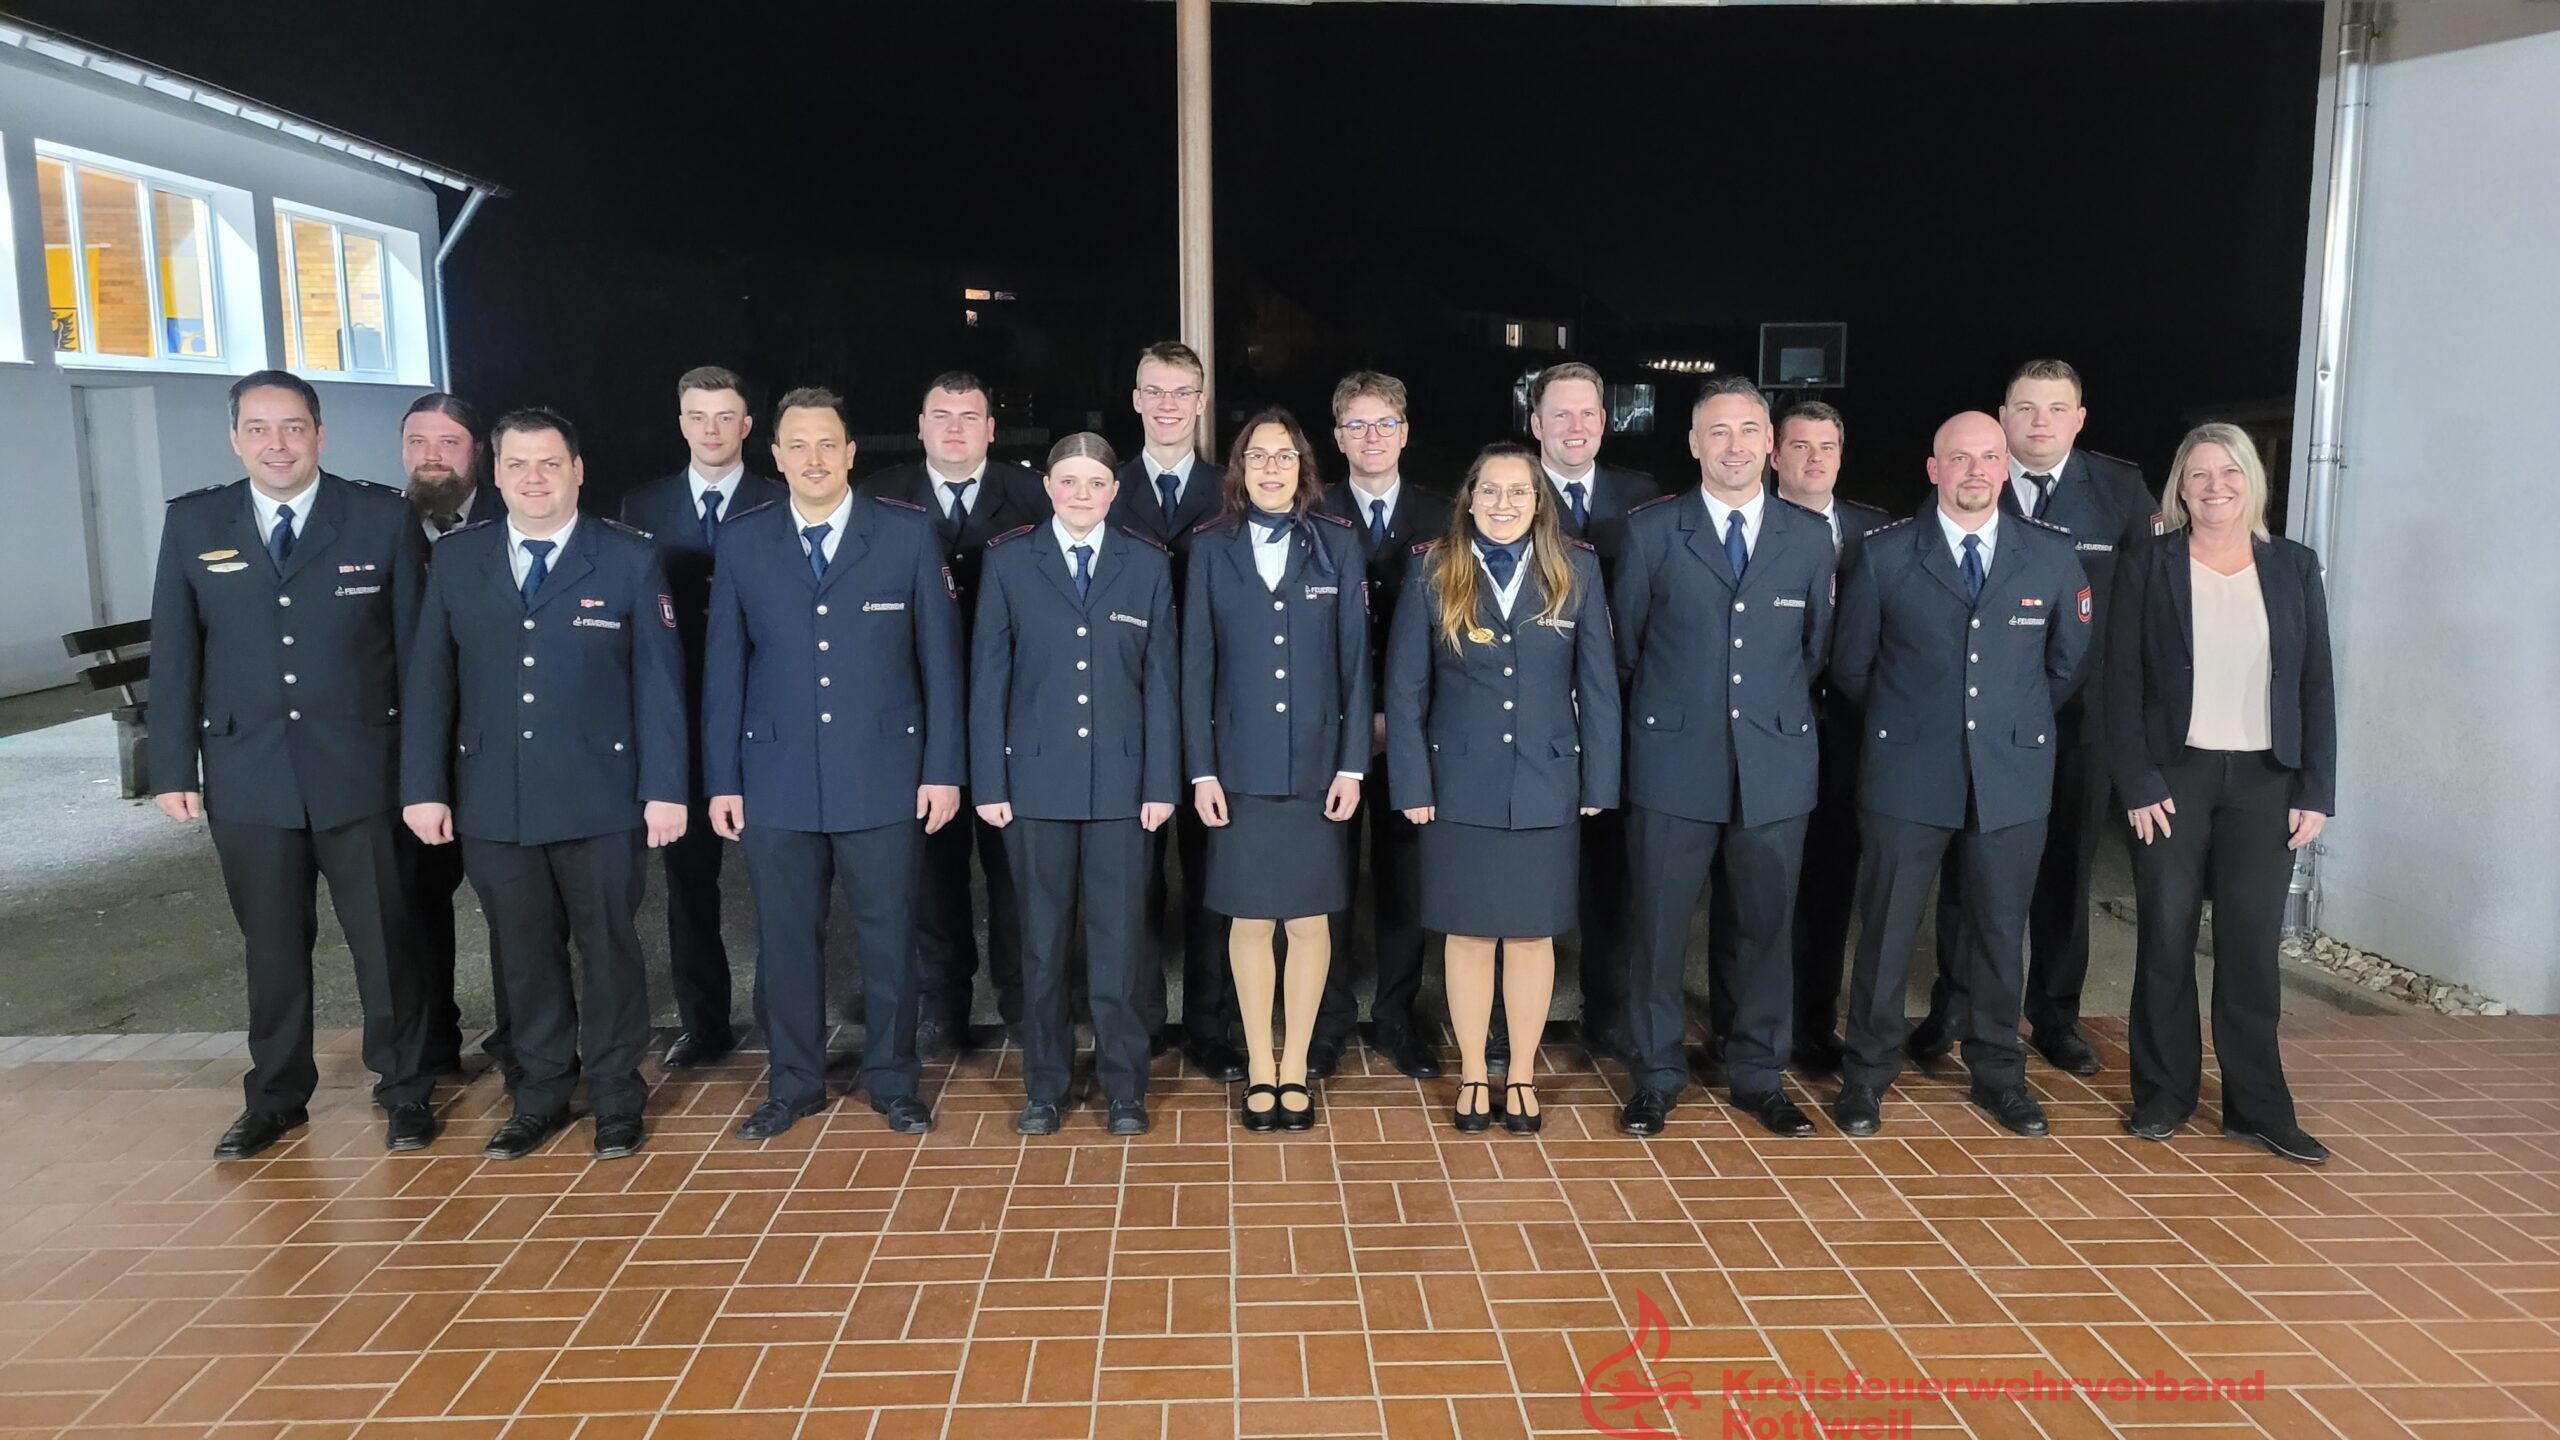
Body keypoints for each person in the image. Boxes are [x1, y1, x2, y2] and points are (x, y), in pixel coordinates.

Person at [149, 370, 435, 1159]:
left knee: (385, 939)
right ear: (235, 437)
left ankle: (406, 1088)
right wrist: (172, 767)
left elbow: (418, 661)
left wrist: (423, 778)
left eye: (294, 427)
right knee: (271, 948)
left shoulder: (380, 517)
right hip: (249, 773)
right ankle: (275, 1096)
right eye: (259, 429)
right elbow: (175, 654)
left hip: (361, 771)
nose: (277, 444)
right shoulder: (194, 521)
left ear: (320, 433)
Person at [400, 408, 688, 1162]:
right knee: (521, 954)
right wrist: (423, 787)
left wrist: (667, 787)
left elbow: (659, 685)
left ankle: (619, 1094)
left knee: (610, 949)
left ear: (577, 471)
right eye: (518, 465)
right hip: (495, 795)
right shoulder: (460, 560)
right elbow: (432, 681)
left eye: (550, 464)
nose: (534, 479)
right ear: (495, 474)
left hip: (602, 795)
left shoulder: (627, 558)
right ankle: (540, 1094)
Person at [701, 387, 963, 1140]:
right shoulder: (744, 540)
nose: (813, 459)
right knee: (785, 942)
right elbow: (724, 671)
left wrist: (942, 768)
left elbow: (939, 665)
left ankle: (893, 1079)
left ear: (852, 453)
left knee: (890, 939)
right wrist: (722, 778)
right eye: (798, 446)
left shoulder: (908, 534)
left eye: (828, 444)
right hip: (776, 778)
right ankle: (793, 1083)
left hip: (884, 774)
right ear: (775, 456)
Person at [1828, 412, 2091, 1139]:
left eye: (1988, 458)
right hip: (1907, 771)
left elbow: (2065, 663)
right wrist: (1916, 723)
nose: (1975, 470)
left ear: (2004, 468)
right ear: (1933, 469)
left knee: (2000, 931)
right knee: (1885, 928)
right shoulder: (1884, 556)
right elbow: (1853, 665)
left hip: (2009, 773)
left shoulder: (2048, 555)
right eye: (1959, 458)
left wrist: (2004, 724)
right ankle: (1867, 1075)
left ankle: (1998, 1073)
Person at [1912, 360, 2155, 1078]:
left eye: (2057, 408)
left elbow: (2143, 613)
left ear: (2080, 418)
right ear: (2003, 416)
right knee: (1970, 868)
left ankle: (2054, 1014)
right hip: (1984, 721)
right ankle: (1954, 1007)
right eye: (2025, 408)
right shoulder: (1969, 482)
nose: (2040, 422)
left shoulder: (2118, 490)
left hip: (2084, 722)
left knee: (2064, 870)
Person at [1611, 378, 1837, 1138]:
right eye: (1718, 431)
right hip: (1673, 765)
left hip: (1772, 770)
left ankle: (1757, 1073)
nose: (1735, 445)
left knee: (1764, 931)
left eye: (1749, 430)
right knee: (1658, 930)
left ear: (1770, 445)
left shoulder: (1808, 538)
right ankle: (1655, 1074)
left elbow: (1814, 654)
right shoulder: (1650, 532)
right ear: (1693, 444)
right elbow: (1627, 650)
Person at [2108, 424, 2334, 1165]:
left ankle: (2257, 1107)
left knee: (2250, 950)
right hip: (2177, 778)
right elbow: (2123, 683)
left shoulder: (2294, 567)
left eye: (2228, 473)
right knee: (2167, 939)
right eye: (2198, 475)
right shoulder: (2149, 564)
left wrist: (2316, 789)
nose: (2214, 487)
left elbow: (2316, 685)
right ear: (2180, 487)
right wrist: (2138, 780)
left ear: (2251, 482)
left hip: (2268, 781)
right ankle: (2164, 1095)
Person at [1386, 442, 1617, 1133]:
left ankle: (1519, 1073)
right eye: (1490, 491)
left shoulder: (1576, 568)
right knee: (1467, 936)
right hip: (1458, 783)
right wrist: (1412, 781)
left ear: (1539, 502)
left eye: (1520, 492)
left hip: (1548, 778)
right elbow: (1404, 688)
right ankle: (1472, 1073)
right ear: (1470, 497)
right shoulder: (1433, 567)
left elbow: (1597, 685)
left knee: (1529, 936)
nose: (1504, 504)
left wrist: (1600, 776)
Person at [970, 433, 1178, 1136]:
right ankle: (1045, 1085)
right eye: (1068, 481)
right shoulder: (1009, 562)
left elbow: (1161, 684)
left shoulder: (1146, 565)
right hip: (1034, 783)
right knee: (1041, 942)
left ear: (1113, 492)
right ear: (1049, 488)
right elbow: (989, 678)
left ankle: (1125, 1086)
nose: (1082, 494)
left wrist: (1160, 782)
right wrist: (990, 780)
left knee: (1120, 943)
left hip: (1123, 787)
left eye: (1095, 482)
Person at [1182, 407, 1369, 1131]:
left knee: (1313, 921)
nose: (1270, 468)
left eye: (1283, 457)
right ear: (1239, 468)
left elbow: (1356, 666)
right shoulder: (1209, 547)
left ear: (1302, 469)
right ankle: (1259, 1067)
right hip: (1240, 769)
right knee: (1252, 922)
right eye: (1257, 456)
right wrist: (1201, 773)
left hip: (1319, 769)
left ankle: (1298, 1071)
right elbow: (1196, 668)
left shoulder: (1337, 546)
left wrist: (1352, 766)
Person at [861, 371, 1048, 1059]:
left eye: (971, 415)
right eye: (941, 415)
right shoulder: (879, 496)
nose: (956, 428)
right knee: (932, 872)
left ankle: (1025, 1003)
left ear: (992, 428)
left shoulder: (1034, 495)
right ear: (920, 425)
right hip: (915, 712)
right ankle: (944, 1006)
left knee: (1016, 872)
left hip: (1015, 713)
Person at [1706, 401, 1895, 1075]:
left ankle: (1813, 1025)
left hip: (1846, 738)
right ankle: (1735, 1028)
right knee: (1746, 888)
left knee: (1826, 885)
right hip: (1760, 731)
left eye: (1828, 447)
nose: (1815, 459)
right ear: (1772, 454)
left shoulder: (1877, 533)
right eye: (1800, 446)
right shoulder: (1747, 525)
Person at [614, 366, 784, 1071]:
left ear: (748, 426)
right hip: (680, 715)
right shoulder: (642, 505)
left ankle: (783, 1017)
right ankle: (704, 1021)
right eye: (697, 416)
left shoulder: (781, 501)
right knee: (689, 885)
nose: (711, 430)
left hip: (766, 713)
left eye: (725, 416)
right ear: (680, 422)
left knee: (782, 879)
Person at [1108, 341, 1244, 1081]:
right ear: (1136, 400)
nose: (1167, 405)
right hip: (1124, 719)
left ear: (1200, 402)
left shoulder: (1233, 491)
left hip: (1215, 718)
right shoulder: (1102, 485)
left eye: (1181, 392)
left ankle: (1209, 1026)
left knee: (1211, 879)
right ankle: (1139, 1021)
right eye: (1153, 391)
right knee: (1132, 882)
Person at [1313, 371, 1452, 1082]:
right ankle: (1329, 1020)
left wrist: (1397, 719)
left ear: (1406, 432)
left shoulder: (1444, 515)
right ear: (1337, 437)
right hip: (1325, 730)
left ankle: (1397, 1015)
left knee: (1406, 880)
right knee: (1327, 879)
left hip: (1413, 733)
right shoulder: (1312, 512)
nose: (1372, 438)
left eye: (1385, 424)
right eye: (1358, 426)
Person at [1525, 361, 1660, 1068]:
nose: (1575, 427)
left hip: (1618, 712)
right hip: (1531, 713)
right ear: (1535, 424)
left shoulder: (1641, 498)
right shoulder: (1508, 490)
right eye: (1561, 414)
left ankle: (1607, 1011)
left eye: (1588, 414)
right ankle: (1512, 1016)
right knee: (1525, 868)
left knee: (1615, 874)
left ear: (1603, 423)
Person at [395, 392, 517, 1085]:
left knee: (515, 908)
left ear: (480, 454)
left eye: (449, 442)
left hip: (499, 749)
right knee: (414, 904)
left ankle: (519, 1034)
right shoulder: (379, 527)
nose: (432, 456)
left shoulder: (521, 520)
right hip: (414, 755)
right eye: (418, 442)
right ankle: (433, 1042)